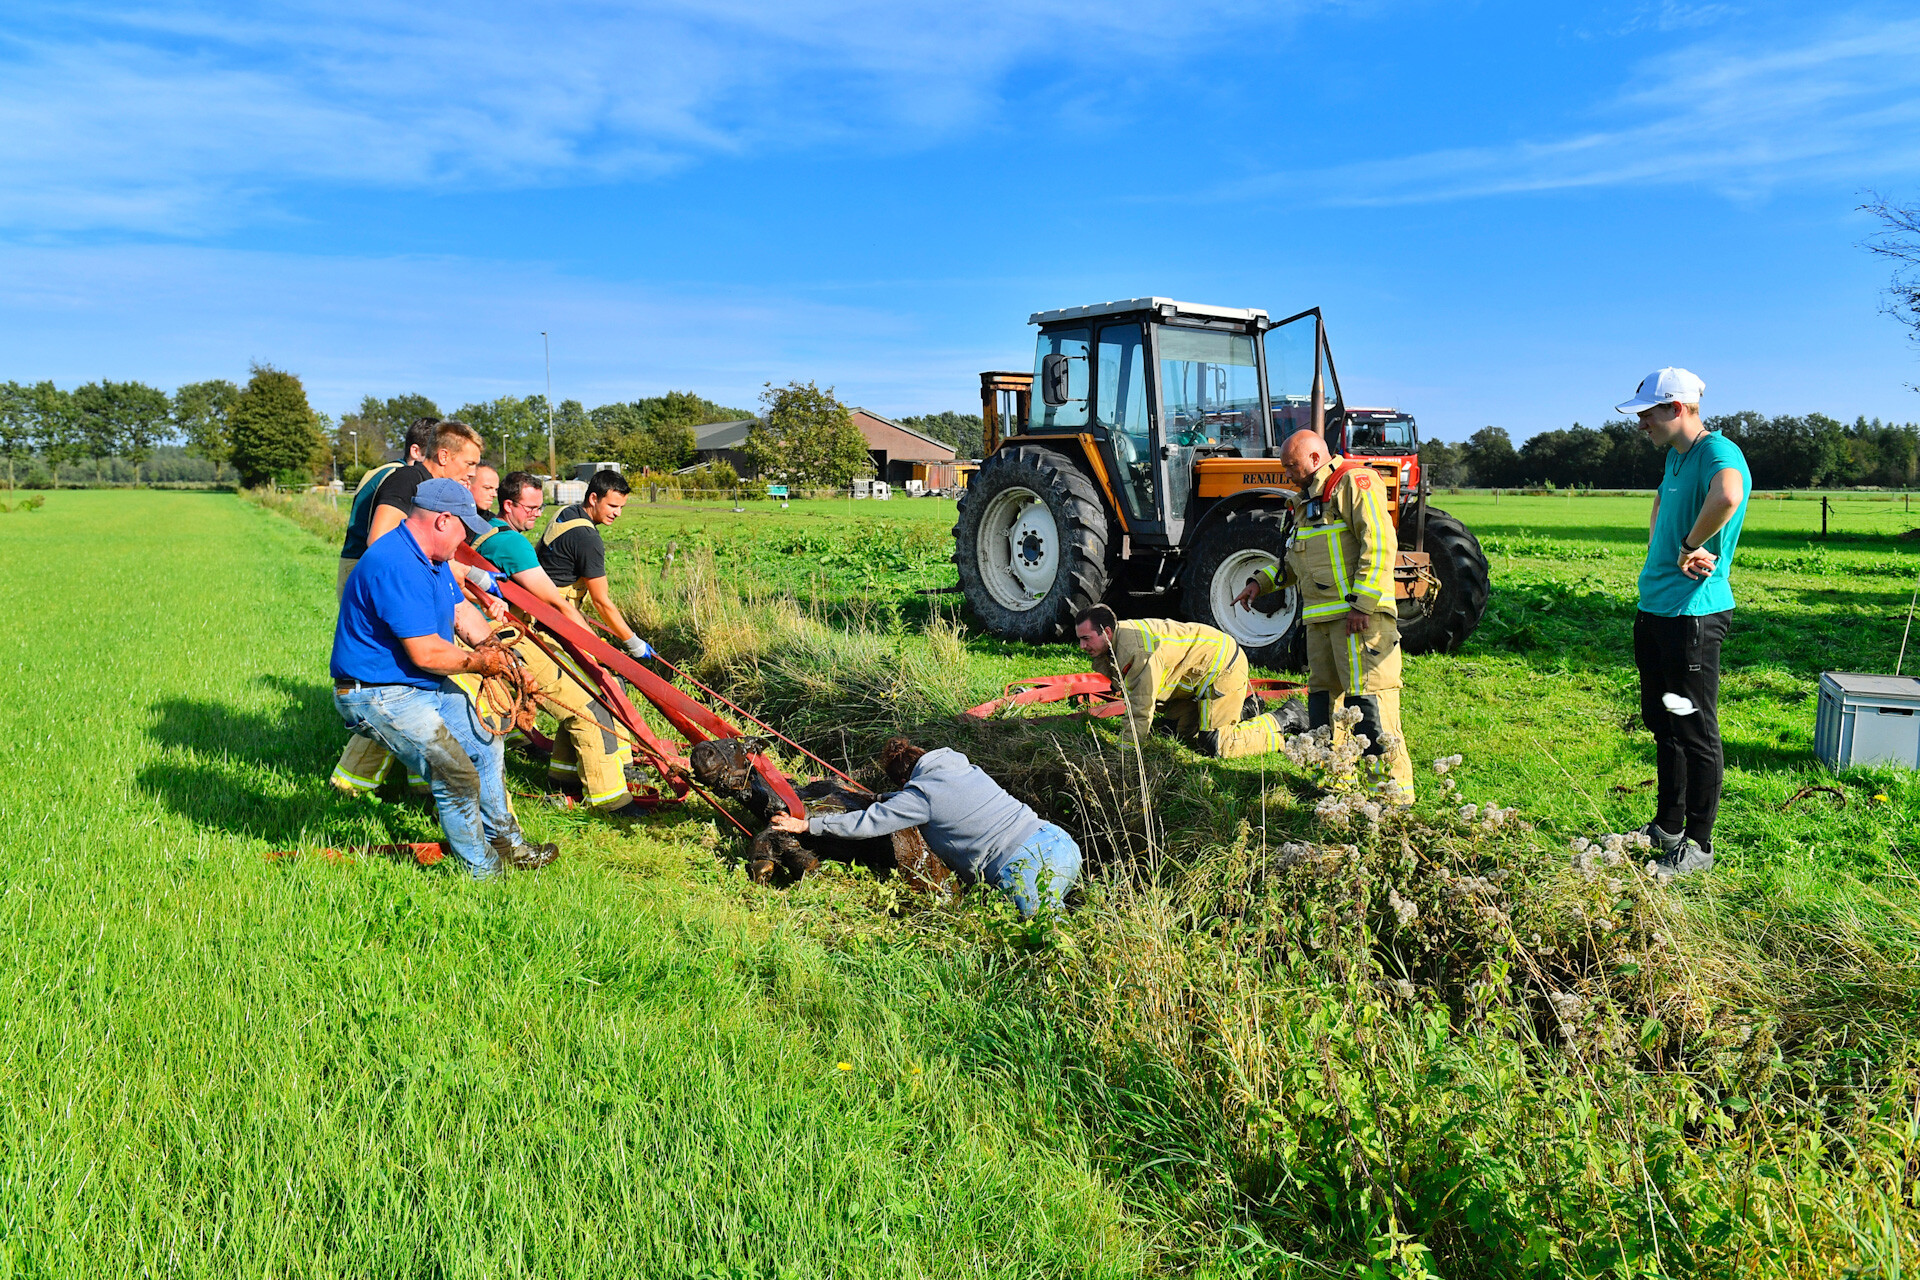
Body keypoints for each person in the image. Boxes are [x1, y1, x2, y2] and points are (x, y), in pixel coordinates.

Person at [330, 478, 558, 877]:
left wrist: (505, 656)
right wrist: (481, 663)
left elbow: (461, 614)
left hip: (416, 683)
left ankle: (507, 845)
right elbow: (427, 652)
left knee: (486, 744)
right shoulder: (395, 564)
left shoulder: (432, 560)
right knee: (456, 774)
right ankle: (482, 872)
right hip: (380, 694)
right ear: (442, 520)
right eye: (464, 528)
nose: (467, 538)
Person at [1233, 429, 1415, 803]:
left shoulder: (1353, 482)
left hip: (1359, 621)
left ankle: (1390, 799)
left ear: (1315, 458)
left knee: (1370, 706)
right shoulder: (1302, 503)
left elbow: (1379, 542)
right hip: (1322, 624)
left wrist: (1363, 604)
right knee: (1323, 706)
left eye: (1291, 465)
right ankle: (1333, 787)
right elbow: (1294, 562)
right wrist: (1258, 583)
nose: (1287, 473)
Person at [1618, 368, 1749, 881]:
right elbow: (1660, 501)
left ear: (1677, 408)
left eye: (1647, 414)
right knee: (1663, 719)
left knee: (1695, 730)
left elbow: (1728, 495)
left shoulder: (1718, 452)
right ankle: (1667, 827)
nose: (1641, 424)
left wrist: (1693, 545)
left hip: (1693, 617)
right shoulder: (1676, 459)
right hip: (1656, 612)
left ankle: (1699, 843)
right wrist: (1662, 547)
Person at [468, 467, 651, 818]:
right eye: (530, 508)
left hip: (499, 630)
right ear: (508, 506)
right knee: (595, 703)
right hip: (511, 633)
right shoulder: (514, 542)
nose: (537, 515)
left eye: (539, 508)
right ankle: (611, 799)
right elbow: (559, 602)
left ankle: (563, 775)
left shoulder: (490, 531)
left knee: (579, 697)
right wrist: (603, 647)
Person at [330, 419, 492, 796]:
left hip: (396, 578)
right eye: (468, 464)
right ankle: (357, 784)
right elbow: (382, 539)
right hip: (376, 577)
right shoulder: (409, 480)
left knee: (408, 680)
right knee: (397, 678)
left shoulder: (427, 486)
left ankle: (413, 780)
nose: (472, 473)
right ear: (444, 455)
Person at [769, 737, 1081, 918]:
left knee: (1052, 949)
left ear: (905, 783)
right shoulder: (959, 767)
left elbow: (868, 822)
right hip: (1058, 842)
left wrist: (808, 824)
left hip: (1021, 869)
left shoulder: (922, 796)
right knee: (1070, 925)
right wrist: (877, 796)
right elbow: (936, 798)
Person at [1072, 606, 1280, 759]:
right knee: (1171, 731)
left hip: (1224, 668)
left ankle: (1282, 719)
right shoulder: (1115, 642)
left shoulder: (1136, 652)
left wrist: (1124, 754)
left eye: (1086, 638)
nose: (1081, 646)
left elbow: (1140, 707)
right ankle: (1244, 709)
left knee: (1216, 745)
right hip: (1195, 680)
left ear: (1107, 632)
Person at [535, 469, 655, 664]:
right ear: (593, 498)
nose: (618, 513)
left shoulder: (567, 512)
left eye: (621, 507)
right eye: (613, 506)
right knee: (600, 670)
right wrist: (634, 643)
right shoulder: (587, 538)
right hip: (553, 617)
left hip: (537, 604)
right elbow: (601, 602)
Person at [336, 417, 436, 596]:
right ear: (415, 450)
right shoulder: (402, 477)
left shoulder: (383, 469)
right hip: (367, 564)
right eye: (432, 455)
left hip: (353, 560)